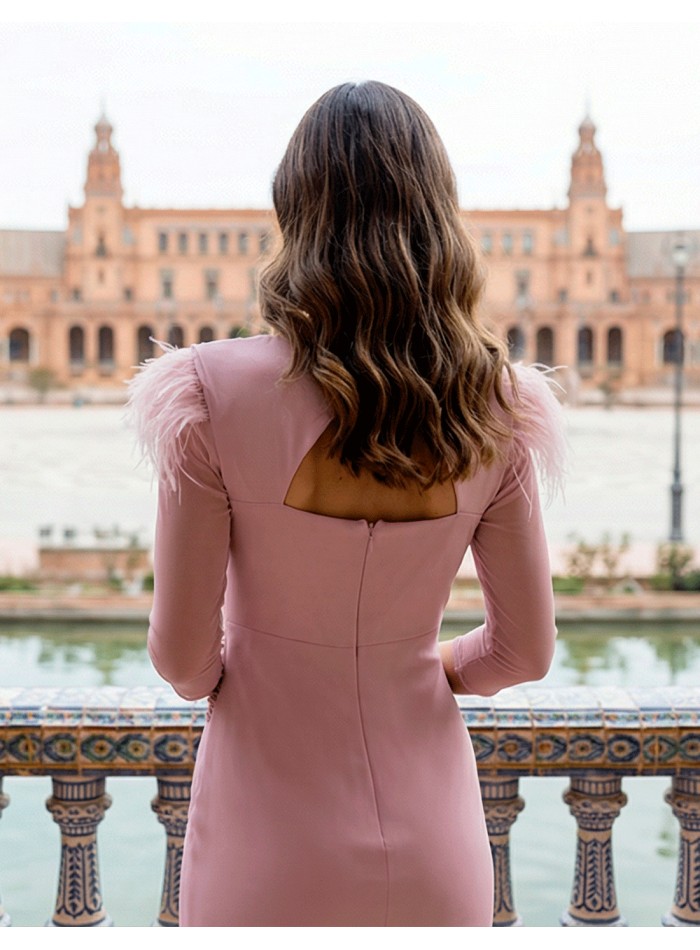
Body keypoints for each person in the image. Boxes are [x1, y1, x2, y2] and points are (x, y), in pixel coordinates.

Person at [127, 80, 565, 927]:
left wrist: (264, 672)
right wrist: (427, 664)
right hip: (435, 841)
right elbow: (526, 651)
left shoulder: (207, 394)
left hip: (265, 835)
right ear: (439, 215)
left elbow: (183, 661)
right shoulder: (499, 407)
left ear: (296, 208)